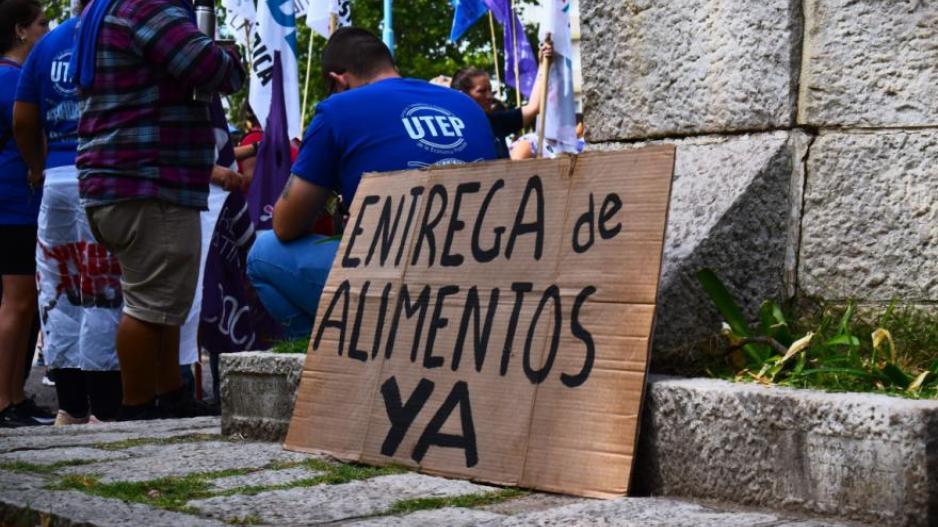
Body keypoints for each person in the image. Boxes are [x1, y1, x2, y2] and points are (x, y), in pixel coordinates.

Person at [247, 27, 497, 339]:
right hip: (484, 283)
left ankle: (323, 360)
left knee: (263, 251)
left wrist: (331, 183)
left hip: (398, 289)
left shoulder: (337, 110)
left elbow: (286, 225)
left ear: (339, 80)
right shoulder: (469, 107)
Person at [73, 0, 246, 420]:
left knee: (164, 295)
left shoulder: (105, 8)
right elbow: (211, 67)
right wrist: (229, 56)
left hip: (122, 180)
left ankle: (170, 393)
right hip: (148, 179)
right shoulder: (148, 6)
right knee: (150, 304)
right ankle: (135, 407)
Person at [13, 0, 125, 425]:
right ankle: (106, 407)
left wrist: (38, 166)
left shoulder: (48, 43)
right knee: (102, 291)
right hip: (102, 173)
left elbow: (23, 119)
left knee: (59, 292)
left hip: (57, 178)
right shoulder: (116, 34)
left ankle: (72, 405)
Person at [0, 0, 53, 428]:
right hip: (16, 204)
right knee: (18, 305)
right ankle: (5, 400)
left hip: (11, 204)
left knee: (18, 305)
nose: (46, 31)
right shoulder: (14, 81)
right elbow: (25, 129)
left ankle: (14, 394)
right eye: (41, 24)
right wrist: (37, 166)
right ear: (20, 30)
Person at [450, 42, 552, 159]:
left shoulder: (496, 122)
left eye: (490, 90)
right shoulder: (449, 131)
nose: (490, 96)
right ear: (463, 96)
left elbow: (534, 107)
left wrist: (544, 65)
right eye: (482, 91)